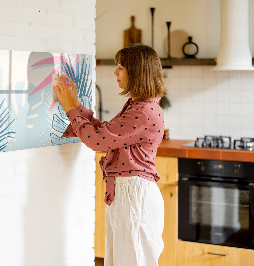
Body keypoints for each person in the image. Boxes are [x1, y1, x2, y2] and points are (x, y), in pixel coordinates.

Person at [54, 44, 166, 266]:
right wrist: (75, 103)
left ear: (137, 72)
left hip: (134, 195)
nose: (115, 72)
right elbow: (105, 133)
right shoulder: (139, 106)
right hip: (129, 193)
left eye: (121, 67)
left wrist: (69, 108)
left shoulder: (143, 111)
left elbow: (97, 141)